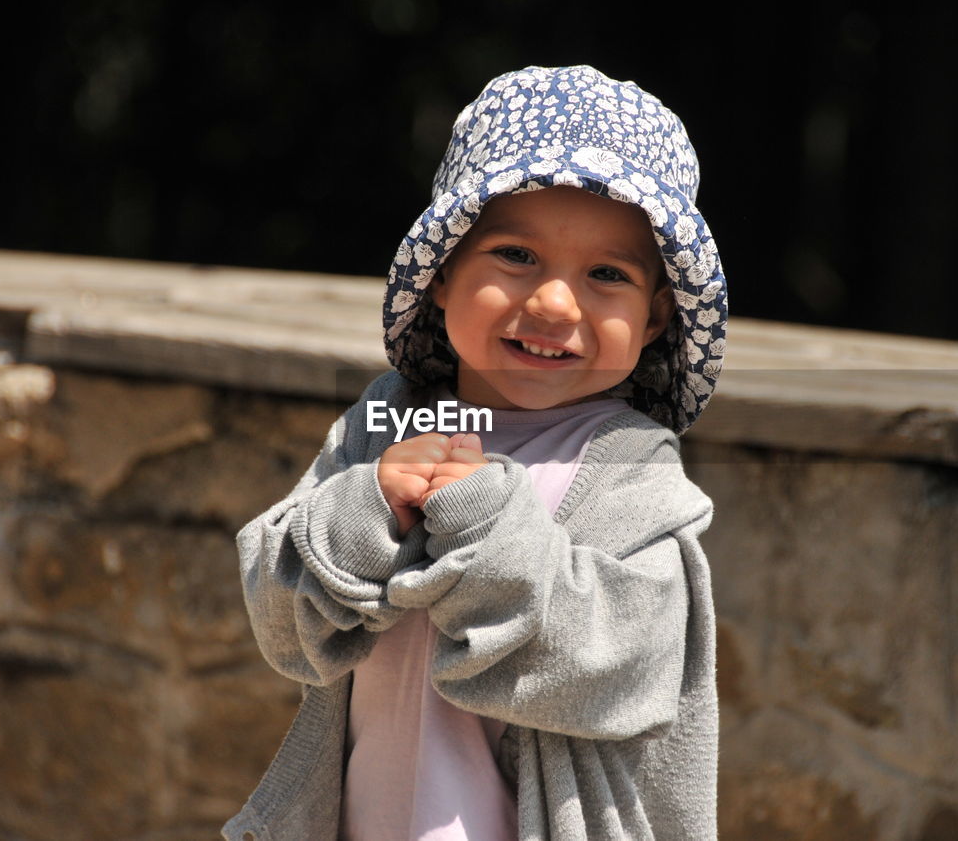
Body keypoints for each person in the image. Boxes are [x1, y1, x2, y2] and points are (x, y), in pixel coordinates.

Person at [222, 64, 728, 841]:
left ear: (657, 318)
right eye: (516, 256)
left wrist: (492, 531)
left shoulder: (629, 463)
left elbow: (631, 669)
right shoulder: (387, 420)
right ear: (443, 274)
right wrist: (364, 512)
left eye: (606, 274)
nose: (554, 303)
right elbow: (281, 614)